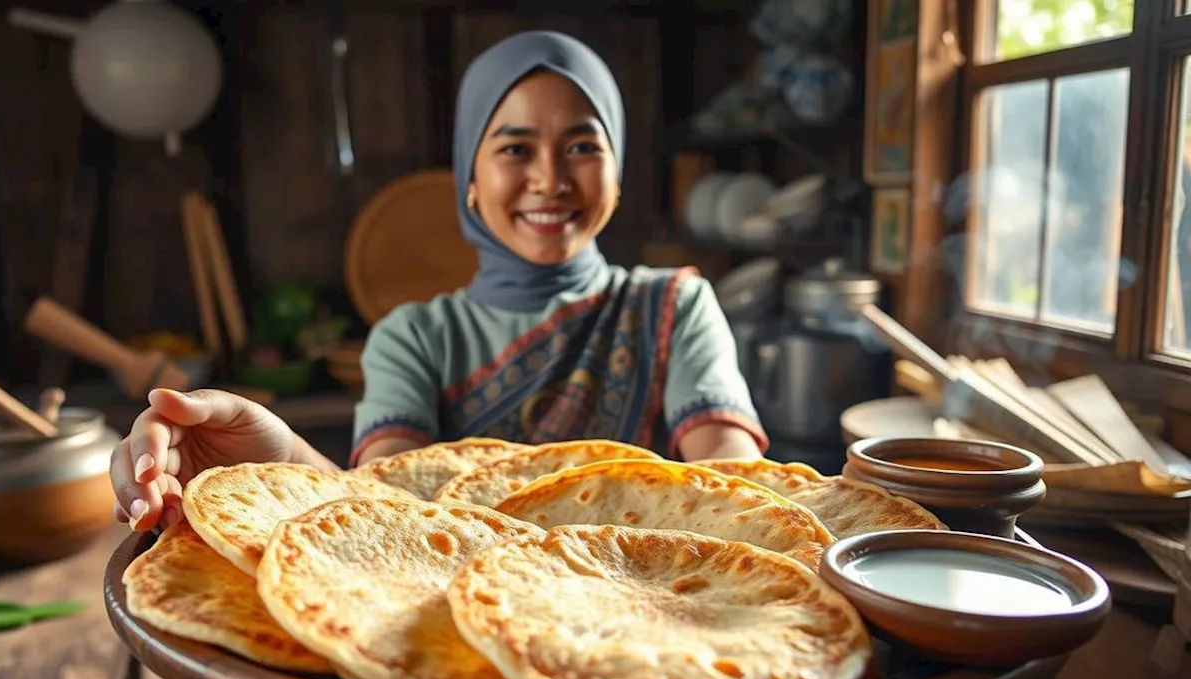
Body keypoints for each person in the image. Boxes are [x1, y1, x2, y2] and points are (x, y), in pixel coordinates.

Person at [110, 31, 766, 533]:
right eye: (514, 148)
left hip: (650, 622)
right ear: (470, 182)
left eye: (583, 146)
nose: (550, 179)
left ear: (617, 173)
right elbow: (383, 518)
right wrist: (272, 457)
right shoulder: (415, 337)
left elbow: (732, 491)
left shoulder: (673, 306)